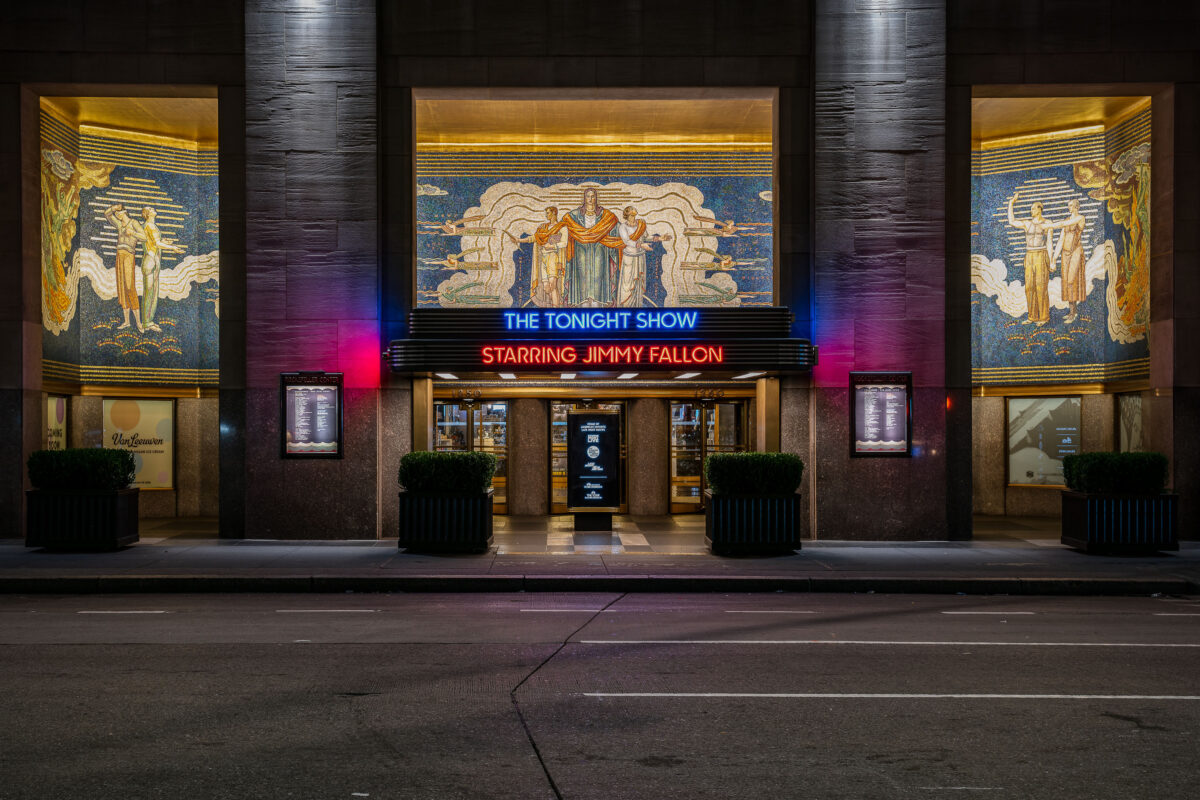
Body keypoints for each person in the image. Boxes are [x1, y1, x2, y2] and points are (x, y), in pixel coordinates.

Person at [550, 187, 624, 307]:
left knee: (599, 277)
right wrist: (552, 238)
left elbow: (619, 229)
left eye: (593, 196)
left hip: (600, 251)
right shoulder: (574, 216)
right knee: (581, 279)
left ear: (596, 197)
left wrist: (631, 236)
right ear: (584, 198)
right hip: (581, 252)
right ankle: (582, 303)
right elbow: (564, 228)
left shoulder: (606, 216)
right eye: (588, 196)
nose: (590, 199)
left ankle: (598, 303)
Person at [1006, 192, 1053, 326]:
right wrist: (1011, 203)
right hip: (1029, 255)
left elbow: (1050, 242)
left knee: (1041, 286)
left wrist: (1051, 261)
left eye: (1033, 208)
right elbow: (1012, 221)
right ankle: (1032, 316)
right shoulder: (1027, 224)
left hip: (1041, 254)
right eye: (1031, 208)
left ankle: (1044, 316)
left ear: (1039, 209)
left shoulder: (1047, 223)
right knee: (1029, 287)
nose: (1031, 210)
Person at [508, 207, 567, 307]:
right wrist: (518, 240)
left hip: (553, 257)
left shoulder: (562, 227)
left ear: (554, 213)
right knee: (546, 287)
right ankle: (555, 303)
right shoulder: (543, 228)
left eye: (548, 213)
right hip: (543, 258)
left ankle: (555, 308)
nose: (546, 215)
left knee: (553, 285)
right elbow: (533, 238)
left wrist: (552, 246)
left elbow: (564, 243)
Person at [139, 206, 185, 332]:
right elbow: (157, 244)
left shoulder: (148, 226)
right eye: (151, 209)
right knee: (150, 293)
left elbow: (153, 242)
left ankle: (149, 321)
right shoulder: (150, 226)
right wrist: (173, 248)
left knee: (152, 293)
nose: (154, 210)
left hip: (152, 259)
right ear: (148, 214)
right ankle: (147, 322)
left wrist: (166, 242)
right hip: (151, 260)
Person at [615, 206, 671, 307]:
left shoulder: (640, 225)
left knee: (639, 282)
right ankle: (626, 305)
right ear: (626, 215)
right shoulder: (623, 227)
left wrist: (660, 238)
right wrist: (641, 245)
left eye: (634, 215)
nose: (633, 217)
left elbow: (646, 237)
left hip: (640, 257)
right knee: (628, 284)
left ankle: (637, 305)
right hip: (629, 258)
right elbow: (626, 241)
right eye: (631, 215)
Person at [103, 204, 144, 331]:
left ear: (124, 213)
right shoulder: (120, 225)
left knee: (129, 286)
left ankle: (138, 322)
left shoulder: (134, 223)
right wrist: (113, 208)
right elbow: (107, 214)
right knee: (121, 287)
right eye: (116, 214)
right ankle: (127, 321)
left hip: (129, 255)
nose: (117, 216)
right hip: (119, 255)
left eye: (118, 214)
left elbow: (144, 237)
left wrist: (133, 233)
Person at [1052, 199, 1087, 324]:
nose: (1069, 207)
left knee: (1072, 279)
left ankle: (1073, 313)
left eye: (1071, 205)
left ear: (1077, 206)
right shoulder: (1066, 221)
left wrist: (1053, 225)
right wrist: (1054, 258)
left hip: (1076, 252)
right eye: (1068, 206)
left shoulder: (1080, 218)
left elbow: (1071, 223)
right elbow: (1061, 239)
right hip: (1065, 254)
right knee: (1067, 281)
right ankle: (1072, 311)